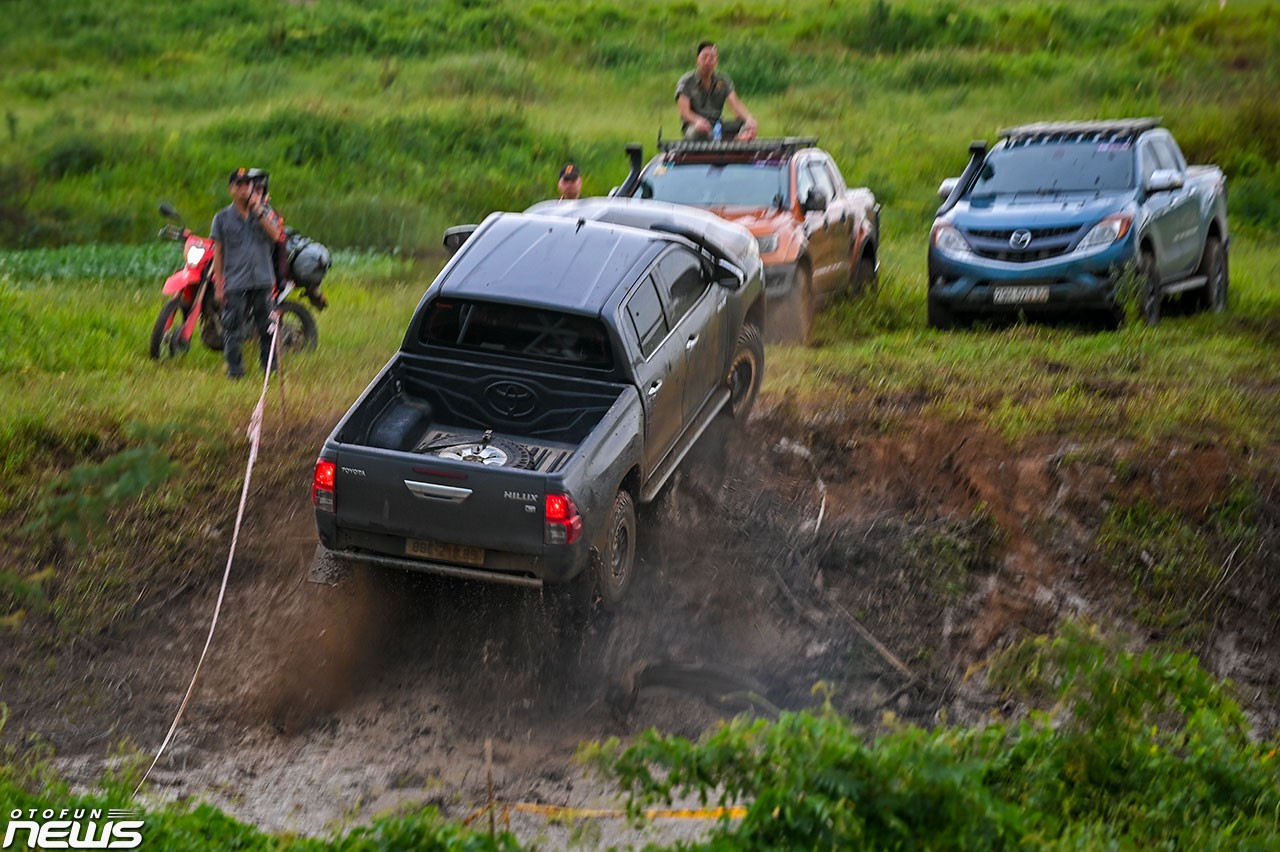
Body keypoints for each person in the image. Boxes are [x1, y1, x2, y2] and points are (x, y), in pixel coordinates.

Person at [211, 167, 283, 379]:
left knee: (267, 329)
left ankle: (270, 369)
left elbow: (276, 236)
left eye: (248, 185)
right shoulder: (222, 218)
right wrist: (218, 285)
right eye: (239, 185)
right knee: (232, 329)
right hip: (236, 282)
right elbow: (218, 253)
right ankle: (235, 372)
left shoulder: (265, 212)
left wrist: (258, 212)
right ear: (231, 190)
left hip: (262, 279)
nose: (244, 189)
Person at [676, 41, 758, 142]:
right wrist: (698, 121)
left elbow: (735, 104)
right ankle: (732, 141)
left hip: (717, 125)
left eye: (712, 57)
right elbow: (684, 112)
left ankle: (736, 141)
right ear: (697, 59)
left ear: (716, 60)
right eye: (704, 57)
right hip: (695, 126)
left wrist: (748, 119)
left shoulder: (723, 80)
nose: (708, 61)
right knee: (700, 133)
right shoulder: (686, 81)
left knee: (747, 126)